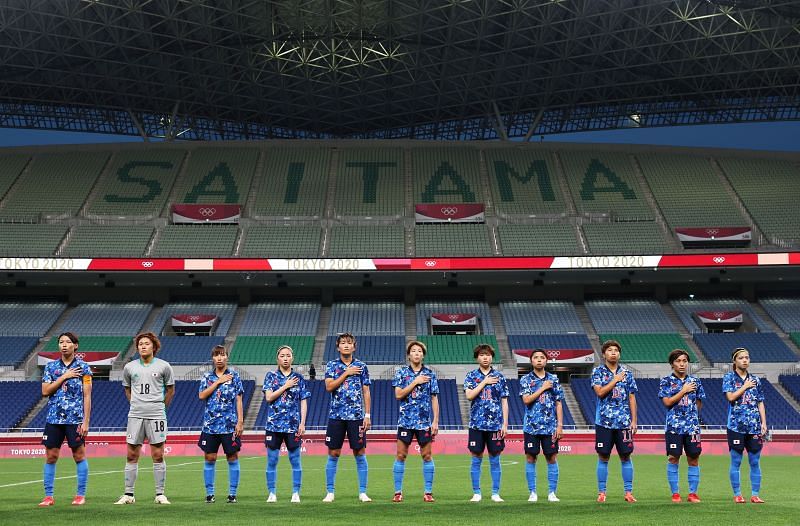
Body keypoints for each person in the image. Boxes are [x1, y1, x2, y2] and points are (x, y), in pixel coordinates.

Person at [115, 332, 175, 505]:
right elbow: (127, 389)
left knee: (157, 454)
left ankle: (160, 494)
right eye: (140, 343)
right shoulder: (130, 367)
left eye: (146, 343)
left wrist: (161, 408)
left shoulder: (164, 366)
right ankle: (128, 495)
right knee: (132, 454)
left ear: (154, 347)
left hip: (156, 414)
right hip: (135, 415)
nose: (142, 346)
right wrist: (135, 403)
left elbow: (170, 390)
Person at [38, 332, 93, 507]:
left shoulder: (84, 368)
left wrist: (86, 422)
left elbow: (87, 396)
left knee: (79, 455)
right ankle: (48, 496)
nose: (64, 345)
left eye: (68, 342)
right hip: (53, 418)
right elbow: (45, 391)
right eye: (61, 342)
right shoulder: (51, 367)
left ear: (75, 346)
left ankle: (80, 495)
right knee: (51, 456)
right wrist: (64, 376)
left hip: (75, 419)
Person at [323, 333, 372, 503]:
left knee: (359, 452)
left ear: (354, 346)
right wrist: (346, 373)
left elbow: (366, 391)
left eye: (349, 343)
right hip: (336, 415)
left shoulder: (362, 366)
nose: (346, 345)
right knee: (334, 452)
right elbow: (329, 387)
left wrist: (367, 415)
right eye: (342, 343)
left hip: (356, 416)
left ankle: (363, 492)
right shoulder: (331, 366)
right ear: (337, 347)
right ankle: (330, 491)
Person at [392, 341, 440, 503]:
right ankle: (398, 492)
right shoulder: (401, 373)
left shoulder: (430, 374)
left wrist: (435, 421)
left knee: (427, 455)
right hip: (405, 421)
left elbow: (434, 398)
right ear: (409, 355)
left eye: (419, 351)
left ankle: (428, 492)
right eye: (413, 351)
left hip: (424, 423)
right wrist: (415, 382)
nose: (417, 353)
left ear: (423, 355)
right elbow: (398, 395)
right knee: (401, 455)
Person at [591, 339, 638, 503]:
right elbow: (600, 392)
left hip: (624, 423)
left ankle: (628, 492)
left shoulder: (628, 374)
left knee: (626, 456)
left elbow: (632, 397)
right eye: (610, 350)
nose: (613, 353)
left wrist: (634, 421)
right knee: (603, 457)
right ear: (604, 354)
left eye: (616, 350)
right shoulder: (597, 372)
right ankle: (602, 492)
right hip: (604, 422)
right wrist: (615, 380)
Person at [263, 345, 310, 503]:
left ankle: (296, 492)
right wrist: (285, 386)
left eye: (288, 355)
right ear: (277, 358)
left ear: (292, 358)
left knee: (295, 459)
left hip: (293, 426)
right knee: (272, 459)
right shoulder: (270, 376)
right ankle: (272, 493)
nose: (285, 358)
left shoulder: (299, 378)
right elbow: (269, 398)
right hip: (273, 425)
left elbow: (303, 402)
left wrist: (302, 423)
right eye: (282, 355)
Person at [198, 345, 244, 504]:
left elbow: (239, 399)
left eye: (222, 355)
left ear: (226, 357)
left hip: (229, 425)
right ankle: (209, 494)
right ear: (213, 358)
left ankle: (232, 494)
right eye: (216, 355)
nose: (219, 358)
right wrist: (218, 382)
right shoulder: (206, 377)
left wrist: (240, 421)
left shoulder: (235, 376)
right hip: (210, 425)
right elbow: (202, 395)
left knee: (232, 457)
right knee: (210, 458)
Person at [659, 349, 705, 503]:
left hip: (692, 428)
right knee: (673, 458)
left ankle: (692, 493)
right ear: (672, 364)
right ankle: (675, 493)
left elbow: (699, 402)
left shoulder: (696, 381)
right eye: (678, 361)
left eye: (685, 361)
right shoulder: (666, 381)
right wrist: (683, 390)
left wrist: (691, 417)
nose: (682, 364)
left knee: (694, 459)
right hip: (674, 427)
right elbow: (667, 402)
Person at [464, 343, 509, 503]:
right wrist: (483, 382)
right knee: (476, 457)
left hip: (495, 425)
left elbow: (504, 402)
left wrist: (505, 424)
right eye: (482, 355)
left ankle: (495, 493)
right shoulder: (471, 376)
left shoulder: (500, 377)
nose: (485, 357)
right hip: (476, 424)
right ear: (477, 357)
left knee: (495, 458)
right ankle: (476, 492)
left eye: (488, 355)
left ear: (492, 357)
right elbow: (469, 396)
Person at [723, 347, 767, 504]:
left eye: (747, 357)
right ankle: (738, 494)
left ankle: (755, 494)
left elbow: (760, 402)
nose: (745, 360)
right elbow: (730, 397)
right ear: (734, 361)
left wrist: (764, 423)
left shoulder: (756, 380)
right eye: (741, 358)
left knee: (755, 461)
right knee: (736, 461)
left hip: (754, 427)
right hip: (736, 426)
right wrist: (744, 387)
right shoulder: (729, 378)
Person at [519, 348, 564, 503]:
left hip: (550, 427)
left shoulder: (554, 379)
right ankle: (532, 492)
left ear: (546, 360)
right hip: (531, 426)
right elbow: (526, 400)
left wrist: (560, 426)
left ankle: (552, 492)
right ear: (531, 361)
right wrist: (543, 388)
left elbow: (559, 403)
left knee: (552, 458)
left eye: (542, 357)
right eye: (536, 357)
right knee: (531, 458)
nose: (539, 360)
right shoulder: (525, 380)